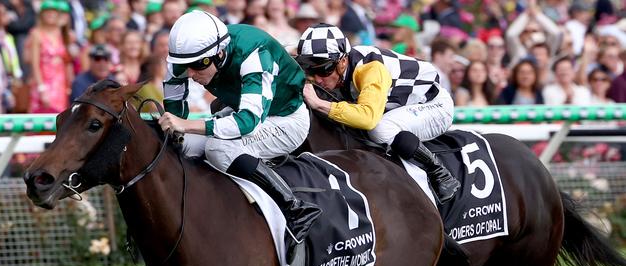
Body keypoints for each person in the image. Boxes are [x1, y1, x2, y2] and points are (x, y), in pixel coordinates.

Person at [158, 10, 321, 247]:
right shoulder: (186, 58)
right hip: (242, 112)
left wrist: (187, 125)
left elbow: (248, 122)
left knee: (218, 149)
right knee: (183, 147)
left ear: (220, 53)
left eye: (196, 65)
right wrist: (175, 129)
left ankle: (294, 207)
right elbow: (175, 115)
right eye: (183, 66)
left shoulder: (254, 53)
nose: (190, 74)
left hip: (286, 120)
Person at [297, 23, 460, 203]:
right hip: (399, 105)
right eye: (312, 70)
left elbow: (368, 118)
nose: (318, 78)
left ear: (343, 62)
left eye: (324, 70)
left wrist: (319, 104)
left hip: (434, 105)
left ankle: (439, 172)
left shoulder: (370, 69)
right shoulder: (338, 60)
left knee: (380, 129)